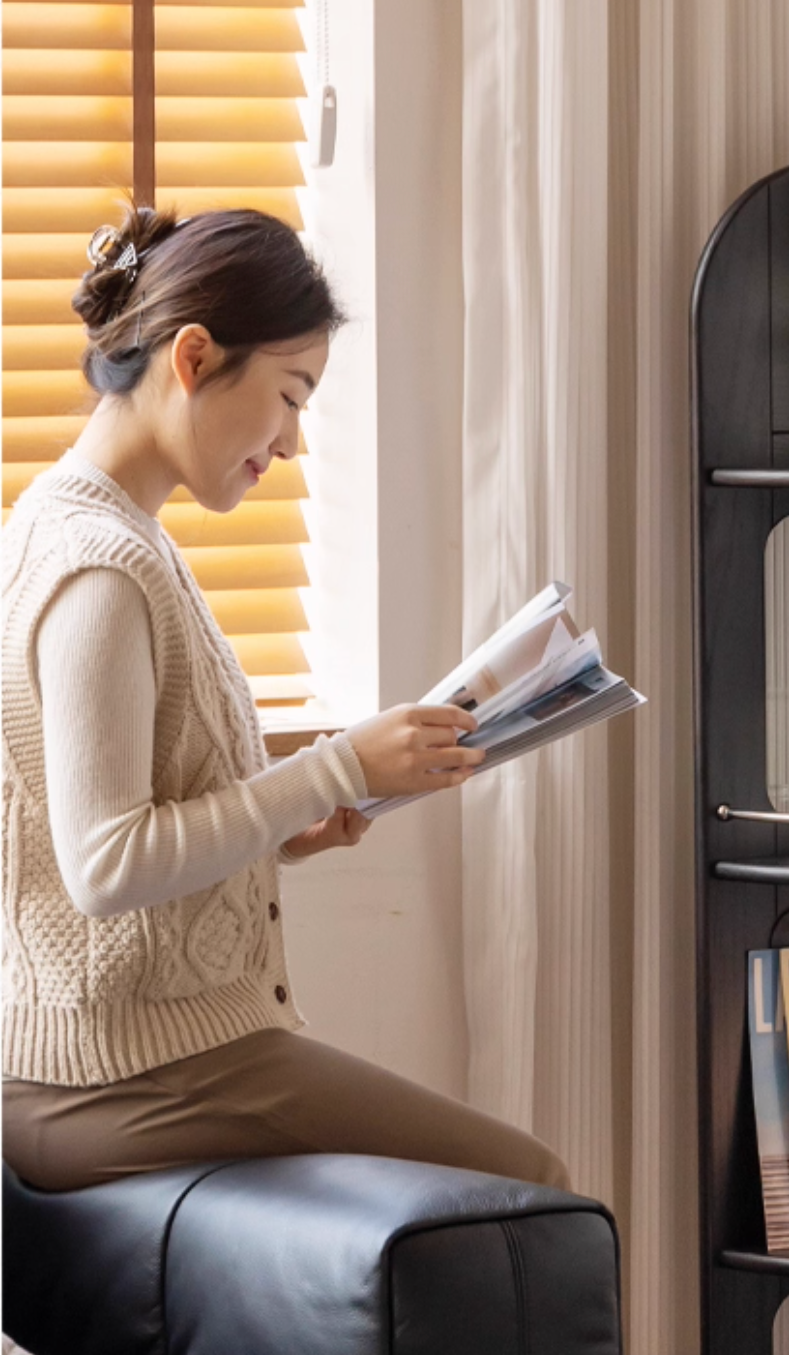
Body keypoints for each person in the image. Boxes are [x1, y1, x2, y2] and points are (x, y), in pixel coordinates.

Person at [2, 206, 569, 1195]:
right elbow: (103, 867)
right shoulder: (101, 568)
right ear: (193, 357)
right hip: (125, 1079)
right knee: (537, 1185)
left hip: (130, 1062)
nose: (294, 442)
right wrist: (336, 767)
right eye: (290, 395)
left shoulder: (88, 530)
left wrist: (285, 830)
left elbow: (103, 832)